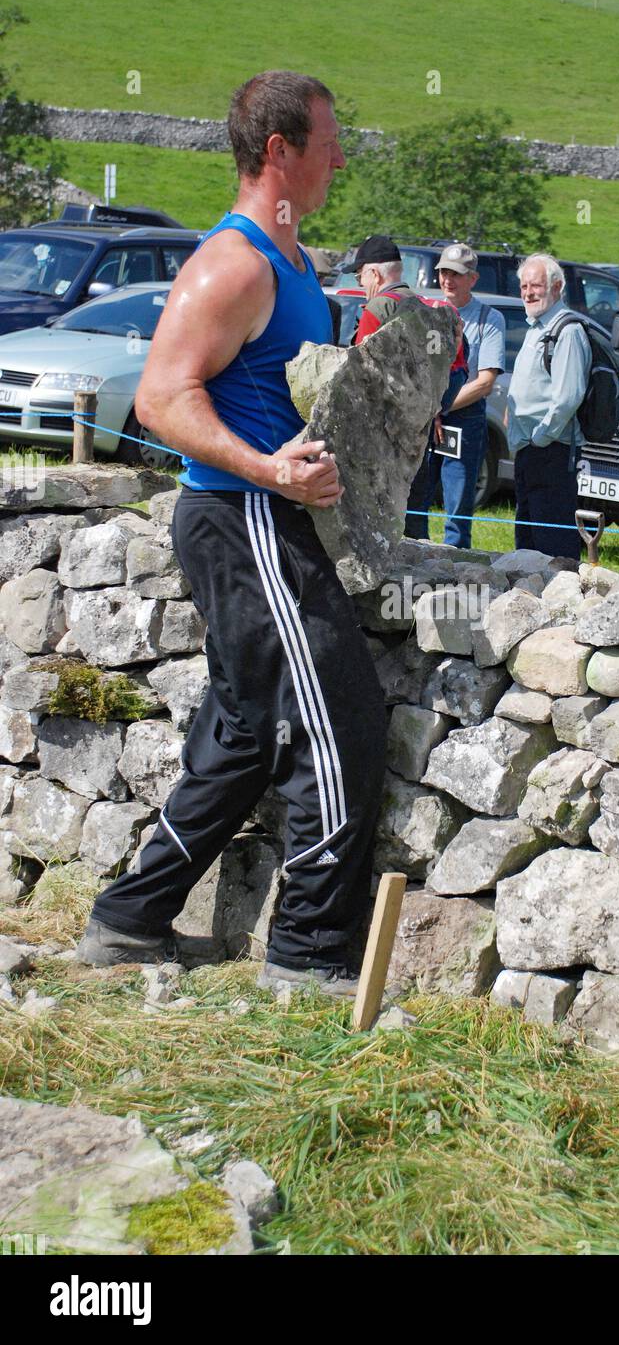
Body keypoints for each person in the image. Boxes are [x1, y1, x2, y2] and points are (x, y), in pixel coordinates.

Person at [74, 70, 387, 1000]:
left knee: (247, 732)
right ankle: (308, 958)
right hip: (243, 516)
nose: (340, 155)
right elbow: (164, 397)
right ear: (279, 150)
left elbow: (275, 387)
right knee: (341, 726)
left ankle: (129, 919)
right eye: (327, 139)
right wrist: (270, 471)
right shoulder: (235, 262)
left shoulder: (290, 261)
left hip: (256, 514)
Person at [343, 234, 465, 539]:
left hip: (383, 443)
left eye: (360, 277)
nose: (361, 285)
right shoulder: (426, 309)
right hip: (420, 439)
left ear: (374, 274)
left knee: (379, 528)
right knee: (415, 528)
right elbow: (456, 373)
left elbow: (362, 380)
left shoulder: (376, 311)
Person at [408, 243, 506, 547]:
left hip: (464, 420)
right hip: (427, 420)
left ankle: (457, 572)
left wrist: (441, 408)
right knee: (415, 503)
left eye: (457, 274)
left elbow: (484, 382)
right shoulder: (426, 312)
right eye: (444, 273)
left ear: (473, 279)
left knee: (458, 510)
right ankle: (414, 561)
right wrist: (431, 412)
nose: (448, 280)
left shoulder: (489, 319)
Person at [506, 253, 591, 559]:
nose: (529, 292)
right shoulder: (536, 328)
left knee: (552, 542)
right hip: (531, 449)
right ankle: (528, 601)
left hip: (552, 450)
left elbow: (568, 396)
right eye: (524, 286)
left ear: (556, 287)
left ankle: (560, 601)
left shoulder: (567, 331)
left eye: (536, 285)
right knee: (528, 538)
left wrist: (541, 436)